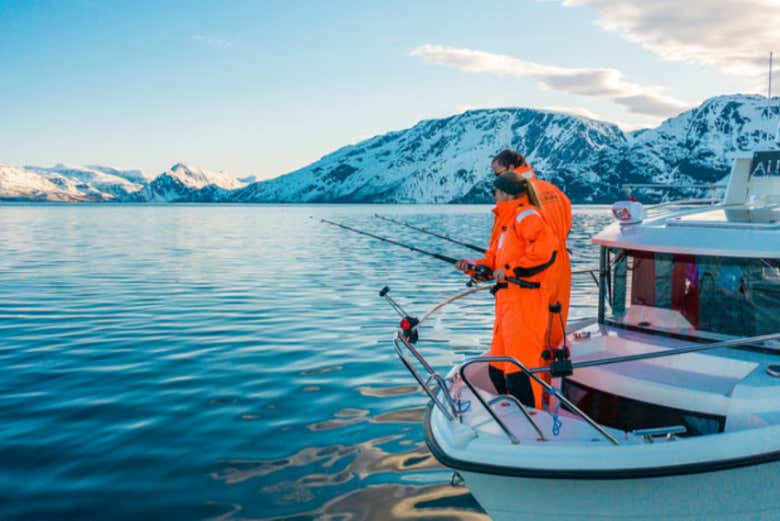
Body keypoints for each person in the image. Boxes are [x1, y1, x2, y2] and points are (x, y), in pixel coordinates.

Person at [456, 173, 558, 408]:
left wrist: (510, 270)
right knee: (497, 369)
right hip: (506, 303)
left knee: (520, 372)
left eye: (494, 192)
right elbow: (493, 261)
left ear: (506, 193)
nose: (493, 196)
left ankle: (534, 423)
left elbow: (545, 251)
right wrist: (473, 268)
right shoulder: (505, 223)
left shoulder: (527, 215)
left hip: (526, 303)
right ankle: (512, 415)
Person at [491, 150, 572, 351]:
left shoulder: (513, 199)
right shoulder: (555, 191)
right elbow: (566, 226)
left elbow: (499, 241)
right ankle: (550, 377)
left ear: (510, 168)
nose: (496, 180)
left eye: (497, 173)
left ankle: (532, 378)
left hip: (528, 270)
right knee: (553, 328)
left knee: (527, 334)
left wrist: (501, 266)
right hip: (559, 265)